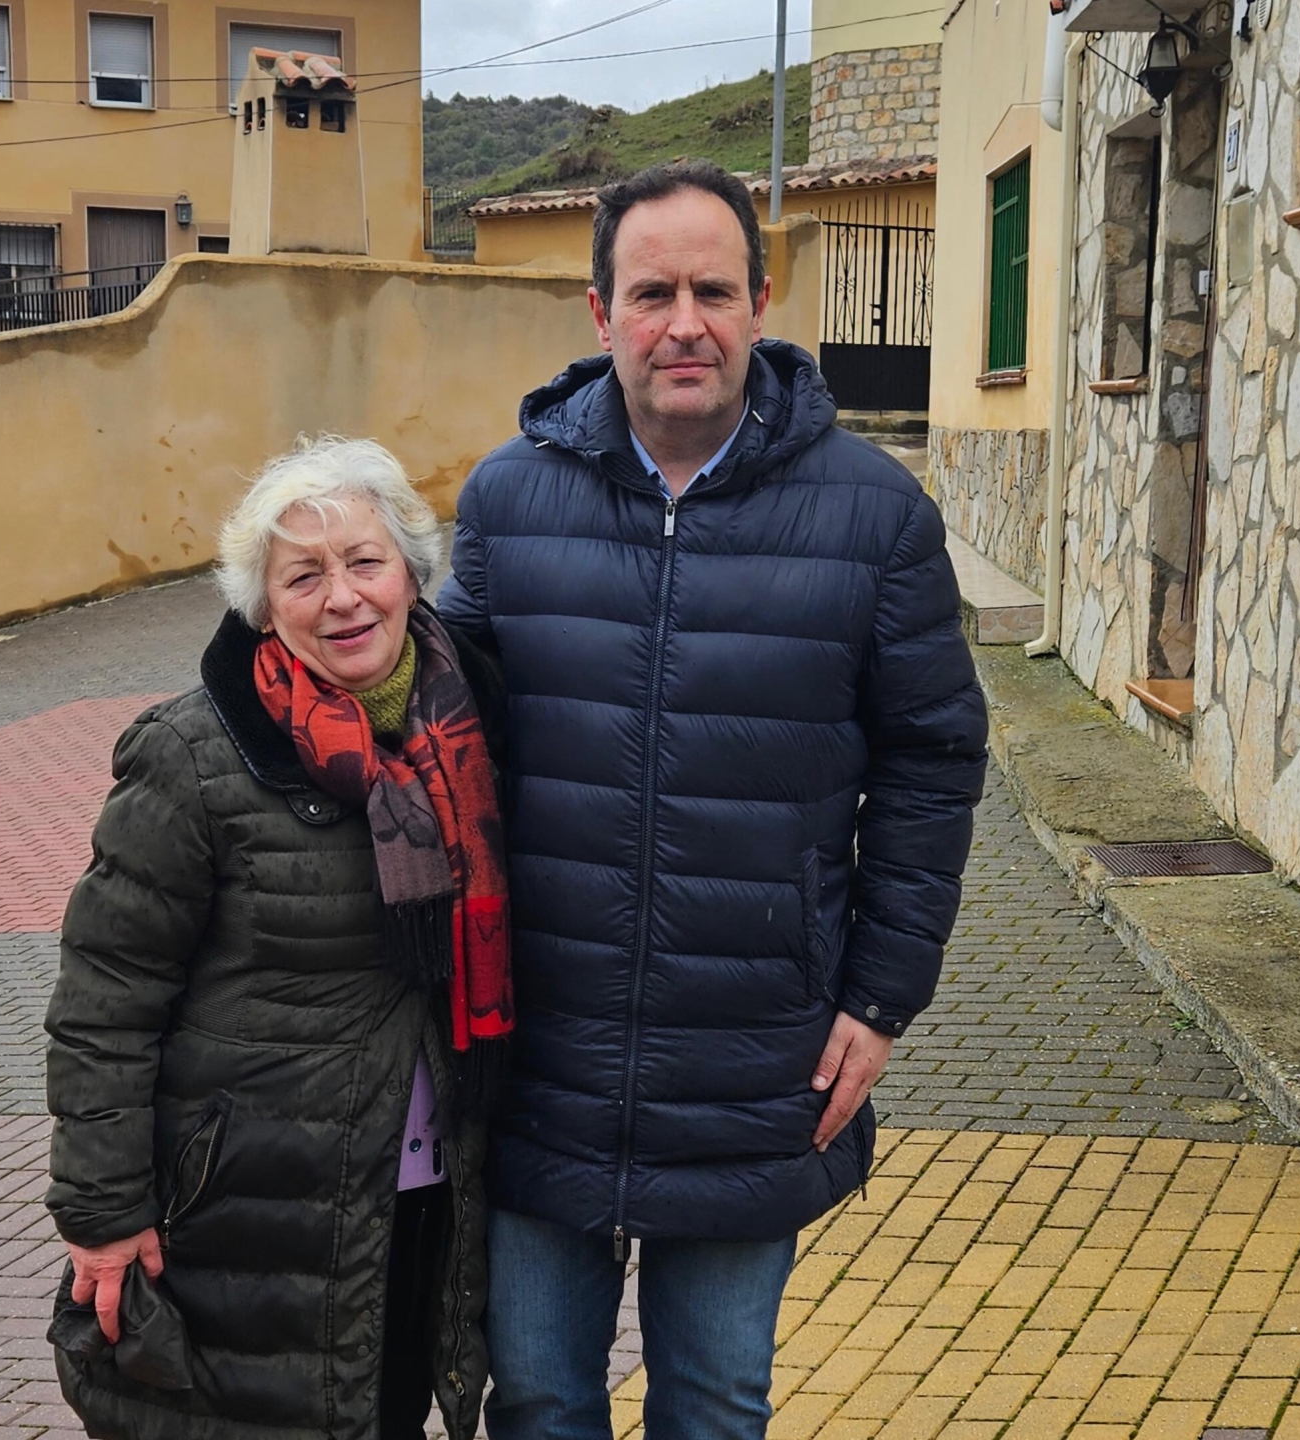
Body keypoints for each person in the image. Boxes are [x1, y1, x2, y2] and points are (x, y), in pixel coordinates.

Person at [437, 158, 990, 1440]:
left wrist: (879, 992)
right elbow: (436, 725)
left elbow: (931, 762)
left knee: (713, 1406)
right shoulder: (507, 501)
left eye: (711, 289)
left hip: (760, 1049)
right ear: (599, 314)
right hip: (539, 1052)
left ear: (760, 300)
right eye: (650, 292)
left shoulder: (877, 516)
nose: (682, 322)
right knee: (541, 1403)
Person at [43, 435, 509, 1440]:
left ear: (410, 575)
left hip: (426, 1195)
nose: (343, 598)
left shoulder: (473, 730)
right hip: (245, 1217)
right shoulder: (192, 756)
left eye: (365, 563)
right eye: (305, 575)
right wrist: (102, 1209)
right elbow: (104, 1001)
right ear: (264, 605)